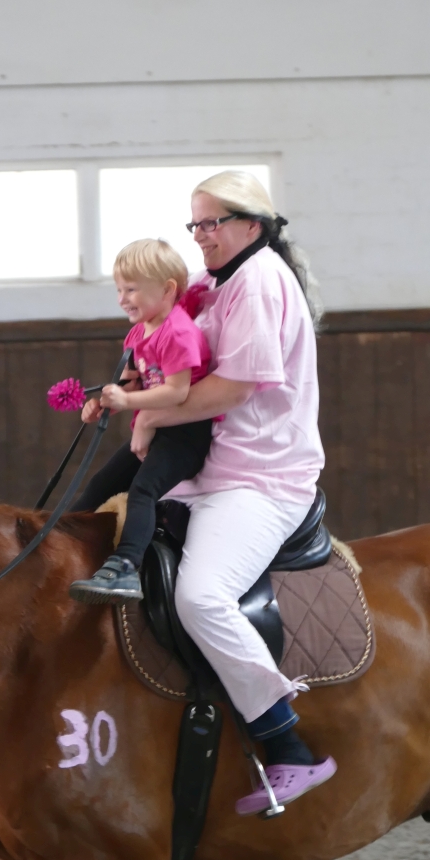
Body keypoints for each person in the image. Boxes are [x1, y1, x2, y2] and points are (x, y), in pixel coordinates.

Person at [129, 170, 336, 814]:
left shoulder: (260, 279)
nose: (201, 236)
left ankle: (286, 746)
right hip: (214, 471)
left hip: (262, 480)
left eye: (211, 223)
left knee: (201, 595)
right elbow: (166, 315)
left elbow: (237, 389)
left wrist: (149, 412)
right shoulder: (217, 283)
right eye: (194, 224)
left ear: (253, 225)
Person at [69, 239, 213, 602]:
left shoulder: (179, 333)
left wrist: (129, 400)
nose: (123, 299)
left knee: (143, 491)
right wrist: (106, 402)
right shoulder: (138, 332)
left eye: (132, 289)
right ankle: (62, 536)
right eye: (119, 289)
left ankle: (126, 566)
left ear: (167, 290)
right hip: (155, 430)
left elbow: (178, 392)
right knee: (102, 482)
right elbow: (137, 380)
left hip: (184, 435)